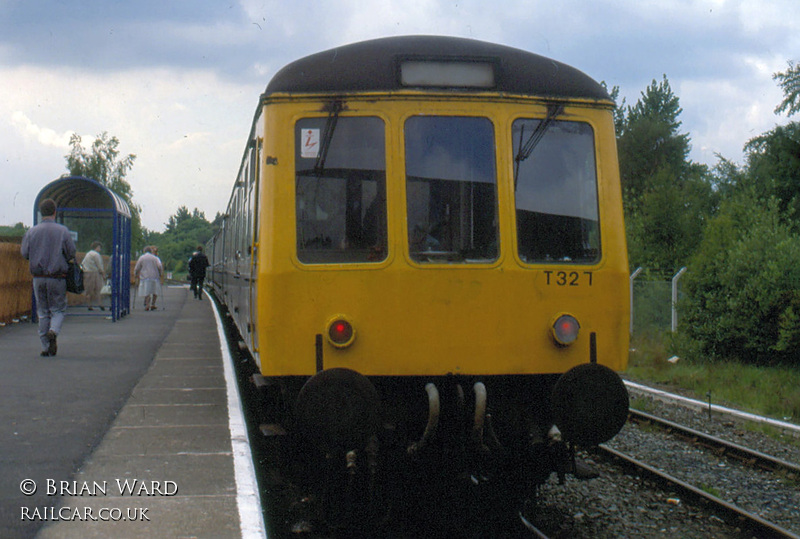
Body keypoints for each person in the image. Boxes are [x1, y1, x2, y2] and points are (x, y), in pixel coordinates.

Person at [20, 198, 77, 357]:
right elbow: (71, 252)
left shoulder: (32, 232)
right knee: (58, 309)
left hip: (38, 277)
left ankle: (45, 347)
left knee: (43, 311)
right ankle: (53, 330)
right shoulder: (63, 231)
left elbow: (24, 253)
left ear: (41, 212)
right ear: (54, 212)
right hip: (57, 277)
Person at [134, 246, 163, 311]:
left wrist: (135, 273)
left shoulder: (142, 257)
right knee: (155, 290)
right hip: (155, 276)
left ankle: (147, 304)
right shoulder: (155, 258)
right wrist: (160, 273)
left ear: (144, 251)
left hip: (145, 276)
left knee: (147, 291)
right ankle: (153, 304)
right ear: (151, 251)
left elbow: (137, 267)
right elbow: (160, 266)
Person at [81, 241, 106, 311]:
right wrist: (103, 274)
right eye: (99, 248)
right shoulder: (96, 255)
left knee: (88, 290)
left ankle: (89, 305)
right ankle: (100, 304)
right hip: (94, 273)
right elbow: (99, 265)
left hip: (86, 273)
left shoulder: (88, 254)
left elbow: (83, 263)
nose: (100, 249)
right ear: (97, 247)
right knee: (98, 289)